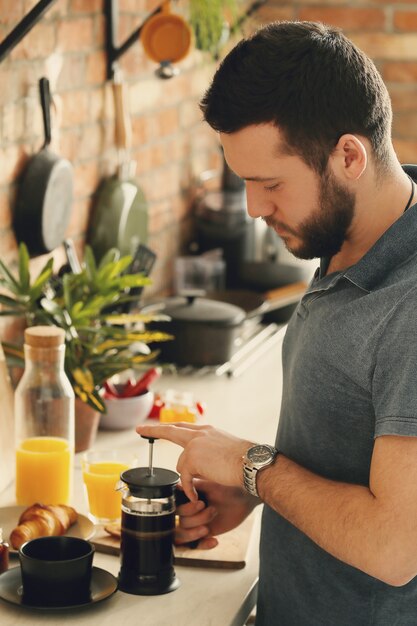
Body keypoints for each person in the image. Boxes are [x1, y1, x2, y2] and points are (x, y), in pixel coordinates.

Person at [136, 21, 417, 625]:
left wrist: (251, 465)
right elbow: (345, 443)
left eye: (269, 184)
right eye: (244, 182)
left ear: (349, 155)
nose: (254, 208)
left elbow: (394, 548)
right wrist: (256, 493)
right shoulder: (352, 233)